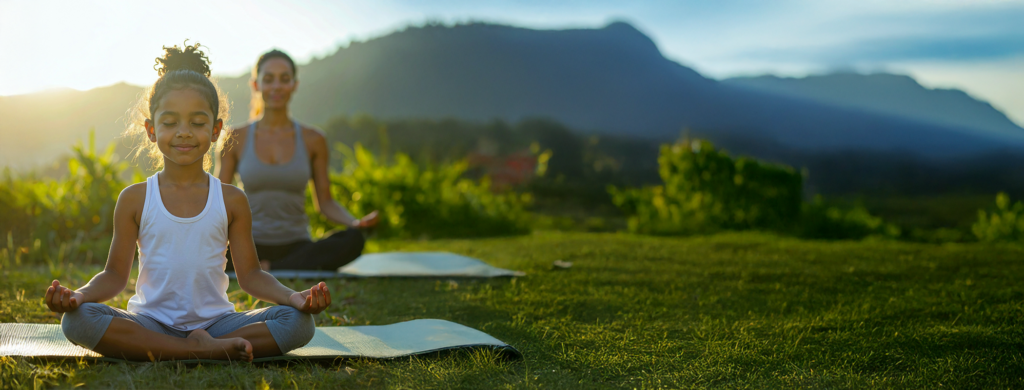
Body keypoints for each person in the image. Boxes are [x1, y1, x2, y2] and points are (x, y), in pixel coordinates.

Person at [46, 43, 331, 362]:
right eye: (170, 123)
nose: (184, 133)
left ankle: (190, 347)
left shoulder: (231, 199)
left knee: (298, 323)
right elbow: (114, 276)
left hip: (217, 324)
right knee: (78, 319)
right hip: (150, 323)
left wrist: (294, 298)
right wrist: (79, 296)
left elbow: (250, 276)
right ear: (151, 130)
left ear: (215, 130)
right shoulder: (135, 198)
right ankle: (197, 350)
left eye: (197, 123)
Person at [217, 49, 377, 272]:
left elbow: (326, 203)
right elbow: (218, 200)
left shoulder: (314, 139)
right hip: (246, 244)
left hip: (297, 246)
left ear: (294, 85)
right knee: (203, 251)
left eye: (284, 79)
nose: (276, 87)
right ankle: (269, 266)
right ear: (256, 85)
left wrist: (355, 223)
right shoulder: (235, 137)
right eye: (268, 79)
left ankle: (268, 268)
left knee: (353, 239)